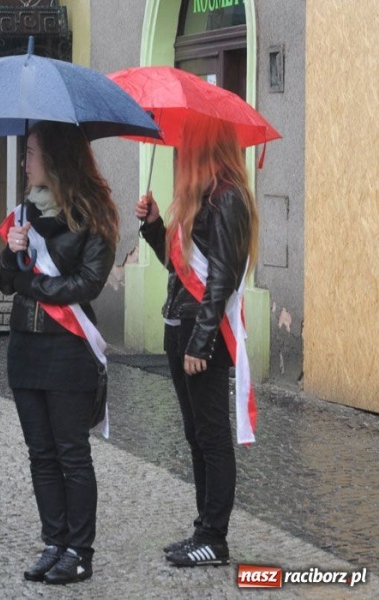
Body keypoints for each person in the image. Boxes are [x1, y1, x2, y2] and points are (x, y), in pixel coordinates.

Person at [135, 115, 259, 567]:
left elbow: (221, 279)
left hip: (202, 335)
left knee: (211, 436)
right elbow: (180, 269)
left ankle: (214, 538)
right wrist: (154, 226)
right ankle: (202, 528)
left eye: (189, 145)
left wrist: (201, 344)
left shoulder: (228, 199)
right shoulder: (200, 198)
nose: (181, 153)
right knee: (195, 434)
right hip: (181, 328)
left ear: (208, 147)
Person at [0, 121, 117, 585]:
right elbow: (6, 280)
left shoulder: (95, 213)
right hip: (25, 347)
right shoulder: (23, 211)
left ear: (58, 158)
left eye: (30, 153)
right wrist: (12, 252)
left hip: (68, 350)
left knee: (71, 453)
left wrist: (31, 281)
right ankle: (54, 541)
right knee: (40, 453)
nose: (24, 162)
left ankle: (78, 550)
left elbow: (87, 283)